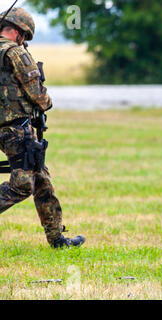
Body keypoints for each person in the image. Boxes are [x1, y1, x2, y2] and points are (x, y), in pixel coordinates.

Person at [0, 7, 85, 248]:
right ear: (17, 32)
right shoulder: (15, 53)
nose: (24, 42)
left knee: (42, 180)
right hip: (16, 129)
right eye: (24, 36)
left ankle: (57, 238)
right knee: (23, 185)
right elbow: (37, 93)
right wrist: (46, 103)